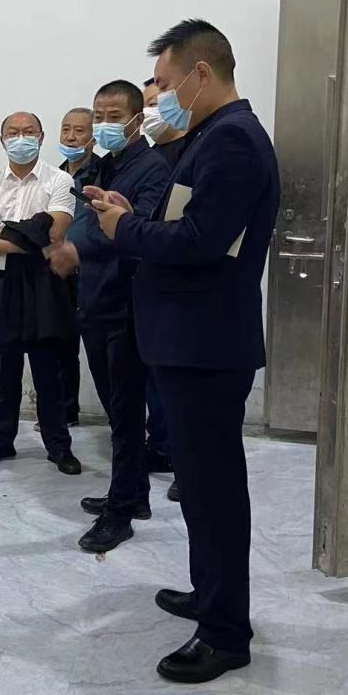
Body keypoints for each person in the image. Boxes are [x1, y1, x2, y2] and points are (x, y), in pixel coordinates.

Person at [89, 19, 279, 684]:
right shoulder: (210, 137)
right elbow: (185, 224)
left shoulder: (232, 141)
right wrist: (130, 213)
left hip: (206, 344)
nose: (159, 98)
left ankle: (225, 633)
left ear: (201, 73)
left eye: (164, 83)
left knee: (214, 490)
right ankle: (210, 594)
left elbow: (200, 242)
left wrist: (123, 229)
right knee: (199, 487)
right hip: (190, 340)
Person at [47, 82, 169, 553]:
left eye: (113, 117)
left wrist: (76, 250)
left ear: (137, 119)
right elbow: (84, 218)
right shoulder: (104, 165)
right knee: (118, 411)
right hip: (95, 301)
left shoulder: (152, 169)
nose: (103, 125)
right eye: (98, 116)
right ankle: (133, 493)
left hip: (126, 306)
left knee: (125, 412)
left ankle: (120, 513)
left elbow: (135, 229)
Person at [0, 111, 83, 476]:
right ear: (2, 139)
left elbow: (54, 233)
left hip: (43, 283)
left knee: (48, 367)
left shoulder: (59, 180)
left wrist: (1, 232)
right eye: (13, 132)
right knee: (5, 366)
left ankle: (58, 446)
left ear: (41, 136)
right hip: (0, 284)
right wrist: (30, 234)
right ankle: (0, 440)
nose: (21, 138)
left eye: (29, 131)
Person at [140, 76, 187, 496]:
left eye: (157, 102)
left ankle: (188, 468)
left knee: (183, 387)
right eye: (147, 105)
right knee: (156, 378)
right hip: (151, 279)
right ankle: (161, 447)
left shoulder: (195, 151)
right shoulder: (152, 157)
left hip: (186, 284)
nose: (151, 112)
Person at [42, 107, 99, 432]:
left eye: (79, 130)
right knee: (61, 343)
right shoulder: (53, 176)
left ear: (93, 136)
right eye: (66, 130)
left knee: (100, 347)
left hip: (91, 270)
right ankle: (66, 410)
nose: (71, 137)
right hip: (57, 271)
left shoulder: (102, 173)